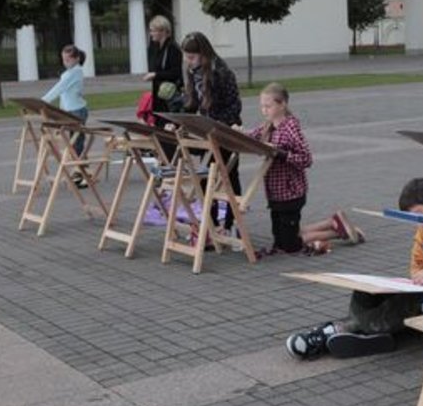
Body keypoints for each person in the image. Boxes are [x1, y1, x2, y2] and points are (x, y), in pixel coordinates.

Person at [285, 178, 423, 360]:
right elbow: (416, 267)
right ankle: (366, 335)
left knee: (410, 300)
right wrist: (418, 278)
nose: (421, 223)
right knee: (366, 292)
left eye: (421, 213)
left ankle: (336, 331)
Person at [247, 82, 365, 256]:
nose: (264, 110)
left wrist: (282, 154)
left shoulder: (291, 128)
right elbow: (251, 137)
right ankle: (332, 222)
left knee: (291, 245)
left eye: (268, 106)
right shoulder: (268, 126)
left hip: (291, 192)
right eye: (262, 106)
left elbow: (306, 159)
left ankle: (338, 231)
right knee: (280, 239)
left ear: (282, 104)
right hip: (275, 193)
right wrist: (235, 133)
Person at [181, 32, 243, 233]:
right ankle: (213, 225)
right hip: (209, 132)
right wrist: (182, 120)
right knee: (208, 179)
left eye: (191, 57)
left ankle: (231, 225)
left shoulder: (222, 72)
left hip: (227, 131)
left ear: (203, 54)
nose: (187, 61)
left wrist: (217, 123)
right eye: (186, 56)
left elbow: (235, 106)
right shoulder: (194, 72)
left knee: (229, 178)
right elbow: (193, 103)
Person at [42, 44, 89, 187]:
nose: (65, 62)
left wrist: (43, 101)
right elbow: (63, 96)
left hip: (77, 111)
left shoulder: (76, 71)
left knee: (77, 142)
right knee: (74, 142)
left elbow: (59, 88)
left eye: (68, 60)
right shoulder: (69, 73)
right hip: (70, 111)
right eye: (64, 60)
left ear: (76, 59)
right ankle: (79, 171)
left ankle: (81, 173)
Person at [143, 15, 183, 118]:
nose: (151, 34)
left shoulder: (173, 48)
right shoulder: (155, 47)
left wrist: (155, 75)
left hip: (171, 94)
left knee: (169, 122)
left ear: (163, 31)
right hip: (159, 93)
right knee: (159, 120)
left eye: (153, 31)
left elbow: (176, 72)